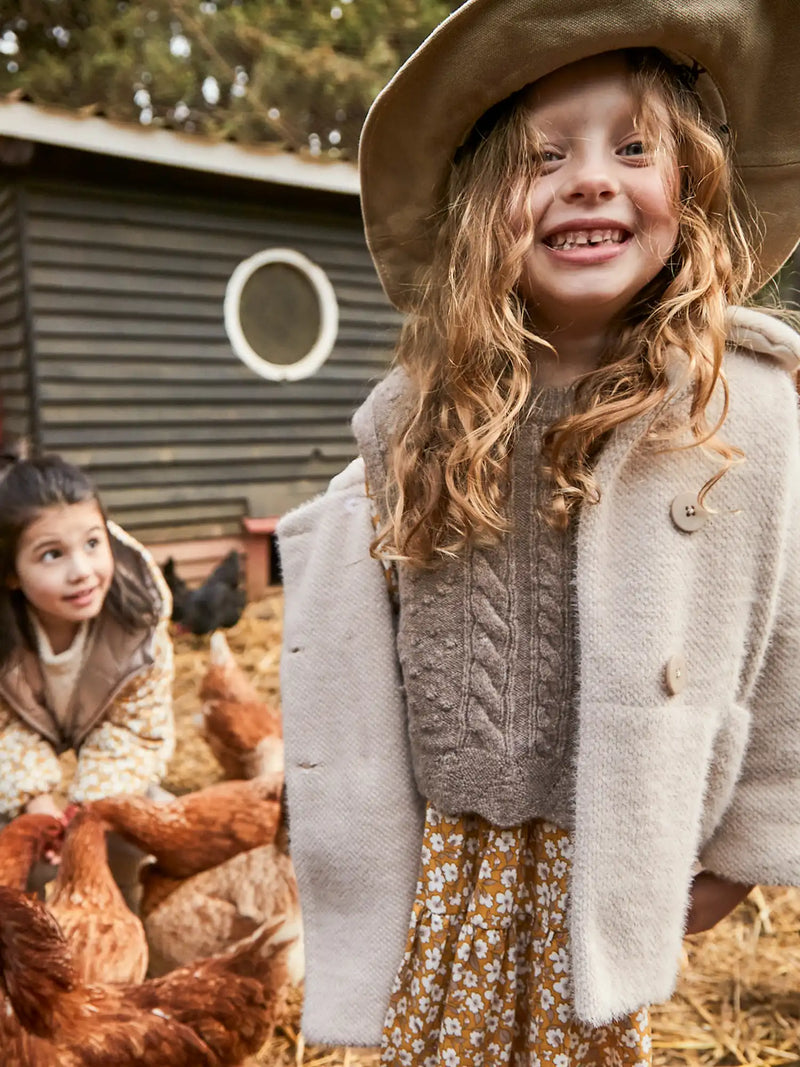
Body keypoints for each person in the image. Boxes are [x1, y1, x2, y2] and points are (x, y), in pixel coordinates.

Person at [278, 1, 800, 1062]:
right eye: (540, 156)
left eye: (633, 146)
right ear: (481, 210)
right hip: (452, 857)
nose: (590, 178)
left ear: (692, 190)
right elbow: (361, 648)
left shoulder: (734, 409)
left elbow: (780, 631)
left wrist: (744, 844)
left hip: (616, 845)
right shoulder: (420, 417)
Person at [0, 454, 175, 902]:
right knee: (24, 844)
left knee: (132, 830)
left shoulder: (138, 619)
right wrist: (34, 799)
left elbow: (136, 729)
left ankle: (126, 935)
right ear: (10, 574)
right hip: (16, 749)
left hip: (113, 747)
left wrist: (88, 808)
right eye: (52, 554)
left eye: (93, 544)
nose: (82, 570)